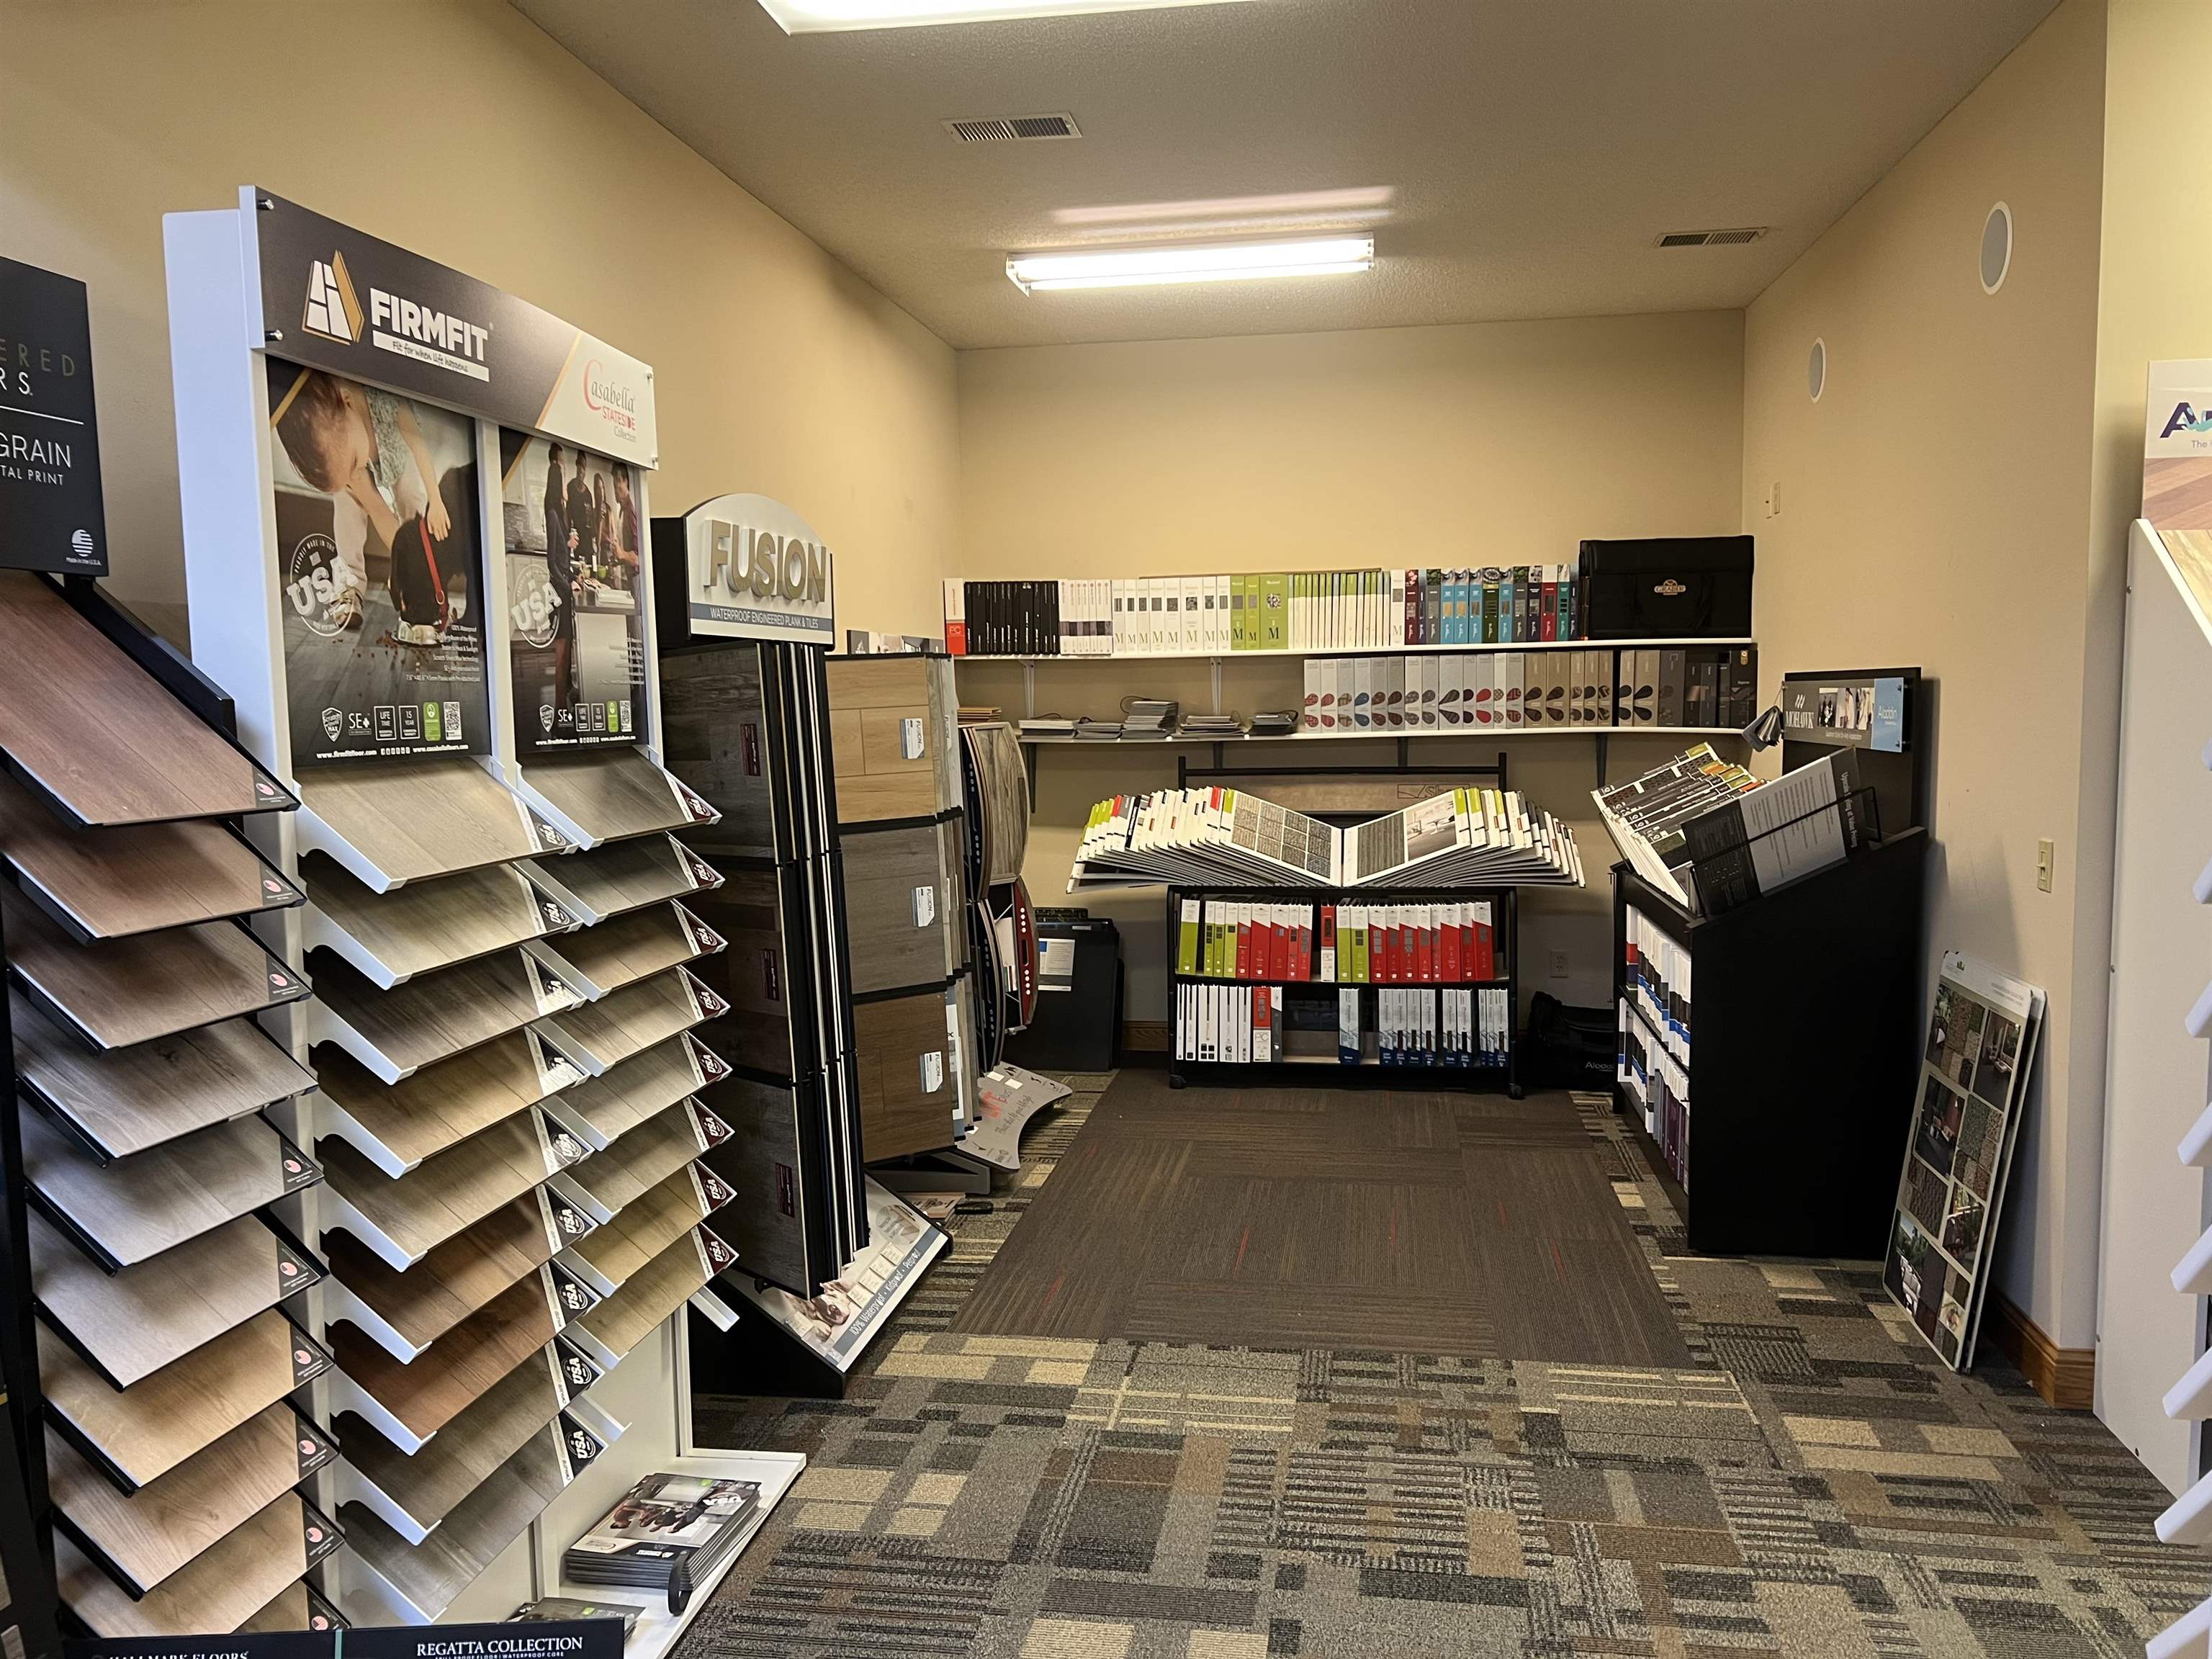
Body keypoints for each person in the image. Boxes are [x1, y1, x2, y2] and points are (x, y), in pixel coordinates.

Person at [271, 369, 453, 643]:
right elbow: (378, 511)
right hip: (362, 455)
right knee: (347, 504)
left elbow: (419, 448)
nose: (353, 475)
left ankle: (422, 582)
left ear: (348, 402)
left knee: (411, 500)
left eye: (353, 465)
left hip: (399, 454)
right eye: (347, 476)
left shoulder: (388, 402)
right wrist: (354, 483)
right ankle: (349, 586)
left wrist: (435, 500)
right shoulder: (349, 461)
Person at [542, 443, 577, 708]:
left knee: (567, 645)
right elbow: (551, 561)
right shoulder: (553, 515)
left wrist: (573, 577)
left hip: (563, 587)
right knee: (562, 650)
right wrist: (566, 586)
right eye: (562, 475)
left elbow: (562, 556)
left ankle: (565, 690)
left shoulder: (559, 515)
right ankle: (559, 705)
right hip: (558, 591)